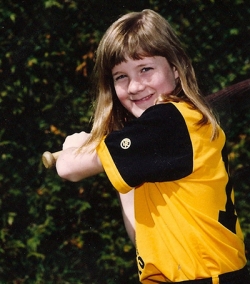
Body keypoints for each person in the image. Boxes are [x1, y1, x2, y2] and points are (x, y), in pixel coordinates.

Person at [56, 9, 250, 284]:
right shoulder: (164, 135)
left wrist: (74, 147)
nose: (134, 86)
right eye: (120, 76)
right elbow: (139, 234)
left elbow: (68, 168)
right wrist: (122, 164)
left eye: (145, 69)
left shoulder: (170, 121)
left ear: (175, 69)